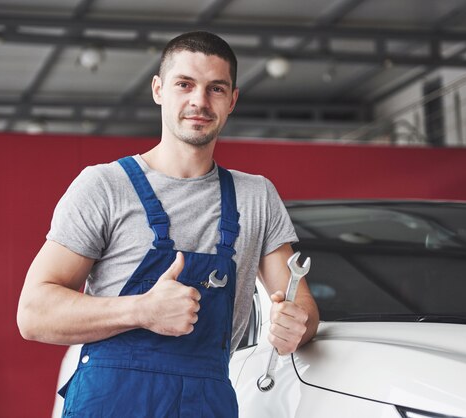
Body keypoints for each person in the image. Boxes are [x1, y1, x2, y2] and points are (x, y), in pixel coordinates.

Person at [16, 31, 319, 417]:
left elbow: (302, 303)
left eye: (216, 89)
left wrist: (298, 324)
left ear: (232, 101)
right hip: (112, 403)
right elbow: (33, 314)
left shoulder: (256, 196)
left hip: (205, 404)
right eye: (185, 84)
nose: (200, 101)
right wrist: (141, 311)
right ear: (159, 89)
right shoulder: (104, 186)